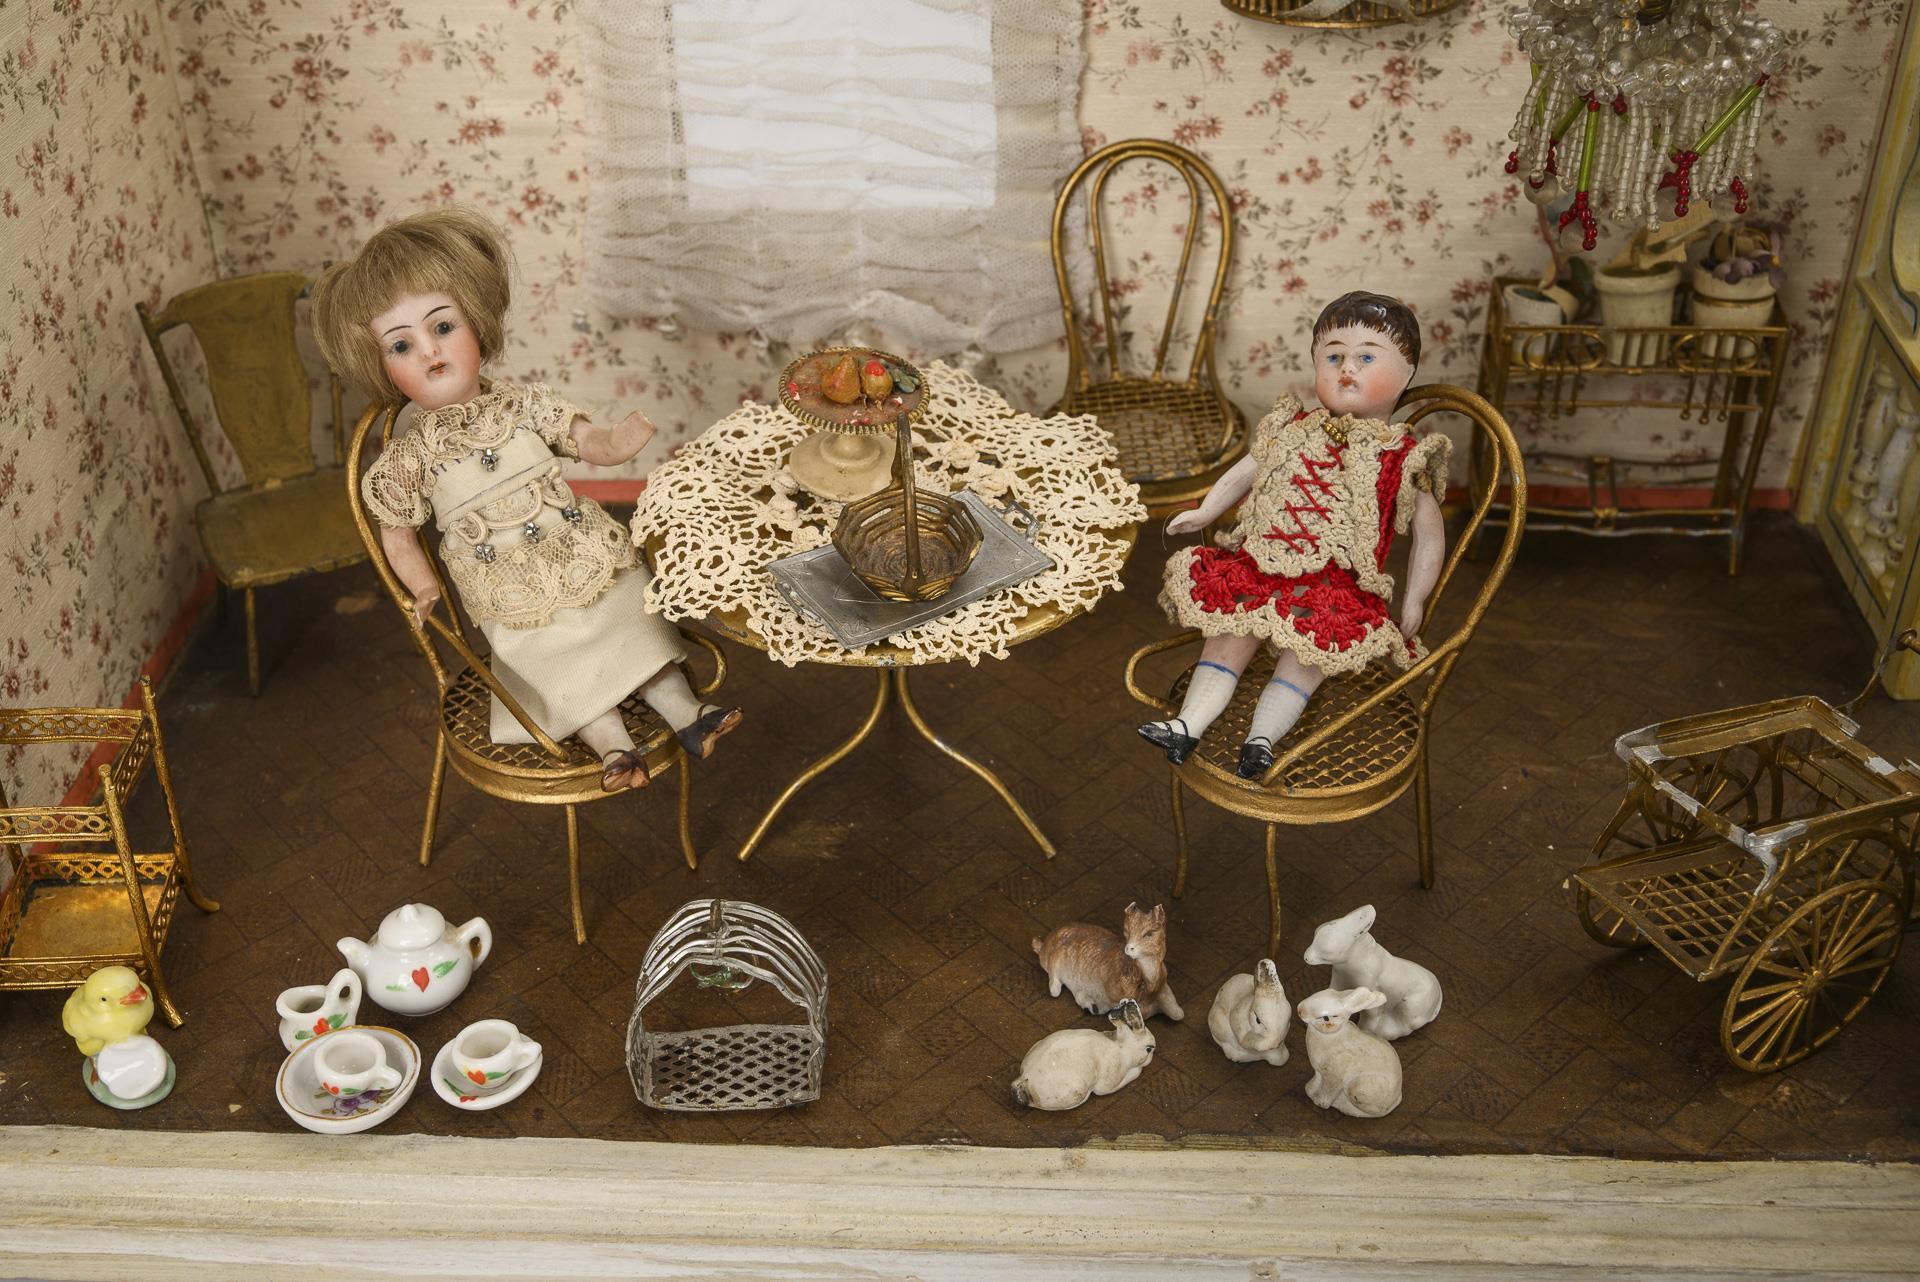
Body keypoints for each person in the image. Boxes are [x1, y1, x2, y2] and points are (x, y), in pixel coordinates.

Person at [312, 207, 740, 792]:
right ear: (382, 367)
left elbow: (582, 437)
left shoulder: (522, 406)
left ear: (476, 322)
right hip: (510, 590)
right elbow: (398, 534)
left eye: (443, 327)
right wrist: (425, 587)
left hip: (581, 553)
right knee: (557, 663)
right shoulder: (411, 457)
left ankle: (687, 714)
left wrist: (614, 443)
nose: (430, 351)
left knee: (628, 622)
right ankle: (614, 747)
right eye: (401, 345)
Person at [1138, 291, 1449, 779]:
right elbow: (1246, 471)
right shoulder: (1294, 428)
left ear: (1407, 371)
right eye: (1333, 357)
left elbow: (1430, 536)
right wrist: (1205, 511)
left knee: (1306, 657)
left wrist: (1415, 599)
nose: (1347, 368)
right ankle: (1186, 725)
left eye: (1367, 357)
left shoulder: (1402, 457)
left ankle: (1261, 740)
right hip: (1260, 563)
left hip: (1333, 587)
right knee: (1227, 638)